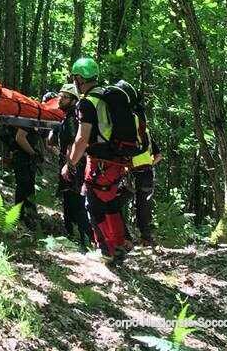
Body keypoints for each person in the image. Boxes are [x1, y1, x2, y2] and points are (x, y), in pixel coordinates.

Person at [62, 56, 134, 265]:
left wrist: (71, 163)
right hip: (117, 159)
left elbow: (82, 138)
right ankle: (118, 245)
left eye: (74, 77)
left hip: (100, 161)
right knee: (109, 202)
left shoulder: (87, 103)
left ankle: (106, 251)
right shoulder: (106, 96)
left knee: (93, 204)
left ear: (78, 78)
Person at [118, 80, 161, 246]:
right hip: (145, 172)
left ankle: (128, 237)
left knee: (117, 203)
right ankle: (145, 238)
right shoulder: (146, 132)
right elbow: (158, 155)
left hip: (132, 171)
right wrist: (149, 163)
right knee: (143, 207)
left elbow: (157, 154)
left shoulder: (128, 128)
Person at [50, 83, 91, 249]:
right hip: (69, 164)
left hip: (75, 166)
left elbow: (74, 143)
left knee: (77, 202)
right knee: (68, 200)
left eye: (64, 97)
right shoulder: (67, 117)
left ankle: (85, 240)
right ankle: (72, 237)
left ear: (73, 100)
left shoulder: (73, 117)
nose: (60, 99)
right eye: (60, 96)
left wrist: (70, 164)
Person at [4, 114, 44, 231]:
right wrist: (33, 153)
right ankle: (18, 217)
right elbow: (20, 137)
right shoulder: (29, 120)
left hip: (27, 159)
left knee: (29, 186)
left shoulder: (37, 122)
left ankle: (30, 216)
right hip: (22, 158)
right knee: (23, 186)